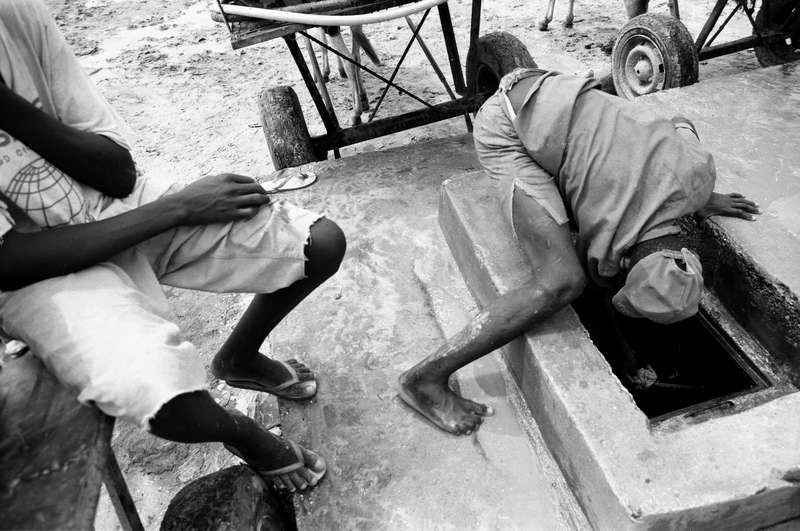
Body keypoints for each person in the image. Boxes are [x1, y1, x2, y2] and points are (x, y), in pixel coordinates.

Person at [0, 0, 345, 492]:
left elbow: (116, 172)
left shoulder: (14, 14)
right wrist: (180, 208)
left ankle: (238, 359)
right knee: (163, 395)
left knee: (320, 243)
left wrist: (8, 106)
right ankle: (243, 434)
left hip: (107, 204)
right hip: (36, 269)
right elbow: (8, 262)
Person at [399, 64, 760, 435]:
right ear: (622, 264)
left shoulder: (698, 171)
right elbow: (595, 286)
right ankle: (424, 379)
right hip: (507, 122)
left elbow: (681, 122)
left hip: (555, 87)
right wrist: (623, 354)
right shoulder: (605, 236)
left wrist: (701, 198)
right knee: (562, 280)